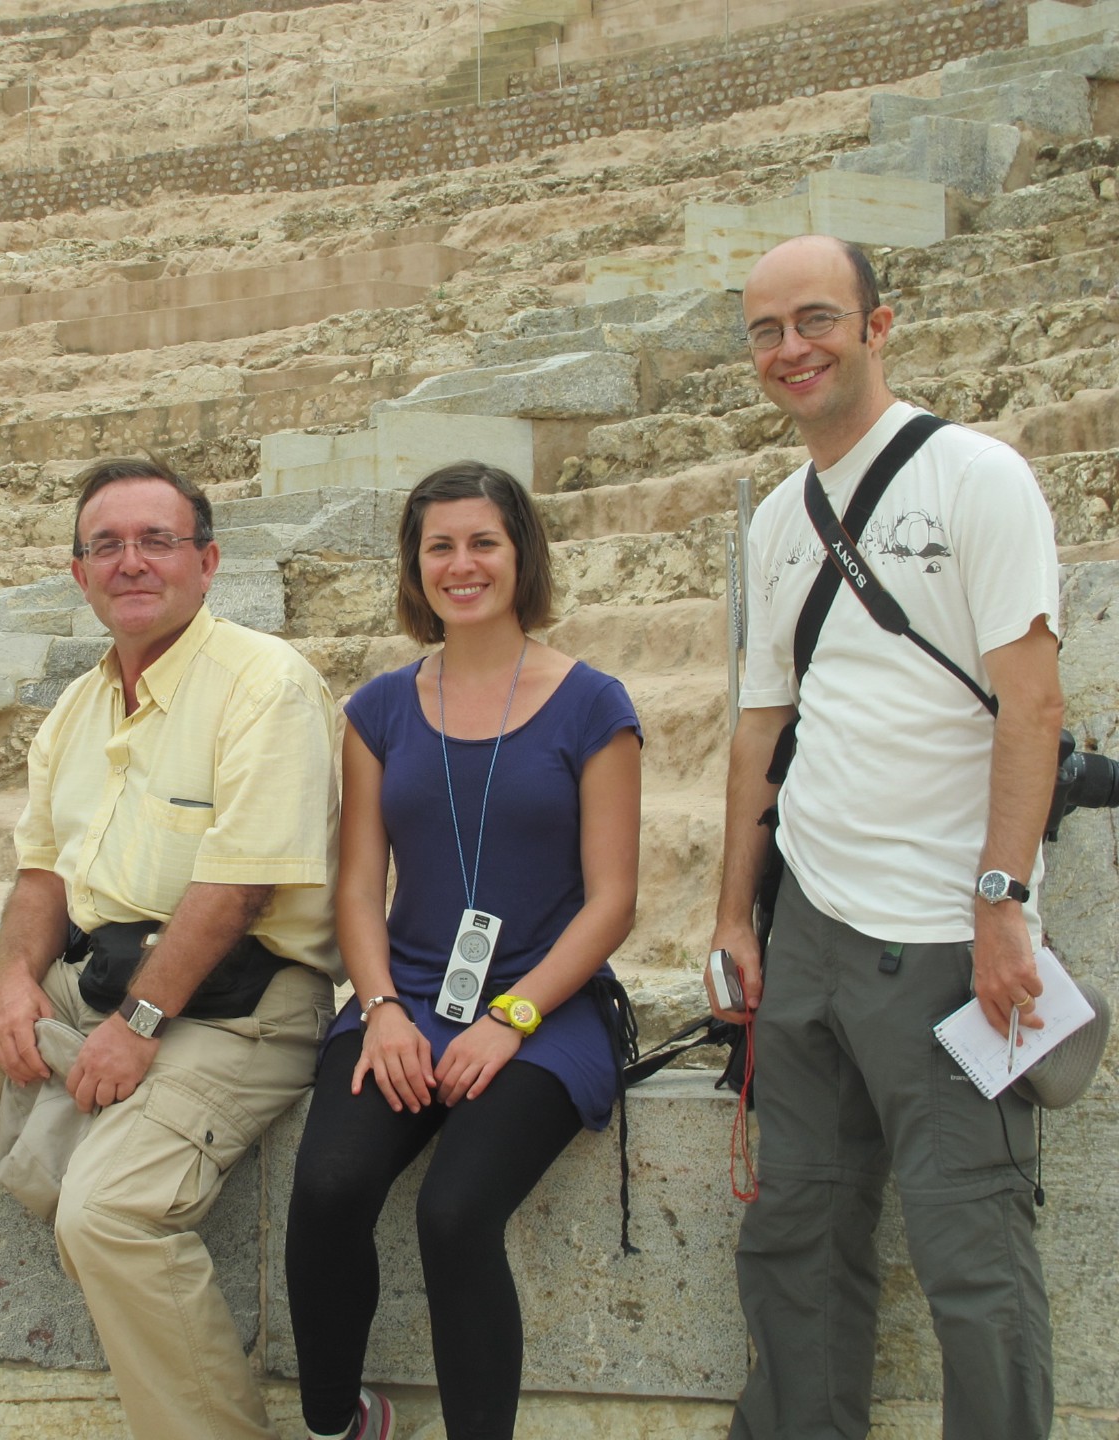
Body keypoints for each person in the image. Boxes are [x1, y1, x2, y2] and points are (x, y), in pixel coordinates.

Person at [0, 456, 342, 1440]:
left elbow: (236, 887)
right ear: (77, 573)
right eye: (107, 546)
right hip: (98, 980)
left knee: (111, 1213)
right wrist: (9, 982)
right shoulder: (76, 714)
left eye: (156, 541)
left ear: (207, 563)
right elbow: (41, 876)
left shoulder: (265, 684)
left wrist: (141, 1022)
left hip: (238, 1005)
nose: (132, 562)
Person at [707, 235, 1063, 1440]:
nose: (791, 347)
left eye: (816, 319)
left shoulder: (976, 476)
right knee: (796, 1231)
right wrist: (728, 919)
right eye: (766, 329)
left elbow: (1033, 700)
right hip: (807, 924)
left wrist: (1002, 904)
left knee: (971, 1251)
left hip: (948, 932)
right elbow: (762, 731)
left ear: (878, 323)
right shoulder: (774, 523)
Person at [283, 461, 643, 1440]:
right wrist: (384, 1011)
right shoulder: (381, 711)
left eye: (483, 540)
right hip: (403, 997)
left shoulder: (593, 705)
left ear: (520, 553)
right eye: (439, 545)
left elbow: (613, 900)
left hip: (548, 1009)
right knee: (327, 1188)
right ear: (415, 566)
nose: (462, 563)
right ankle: (339, 1424)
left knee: (453, 1215)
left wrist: (509, 1020)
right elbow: (359, 888)